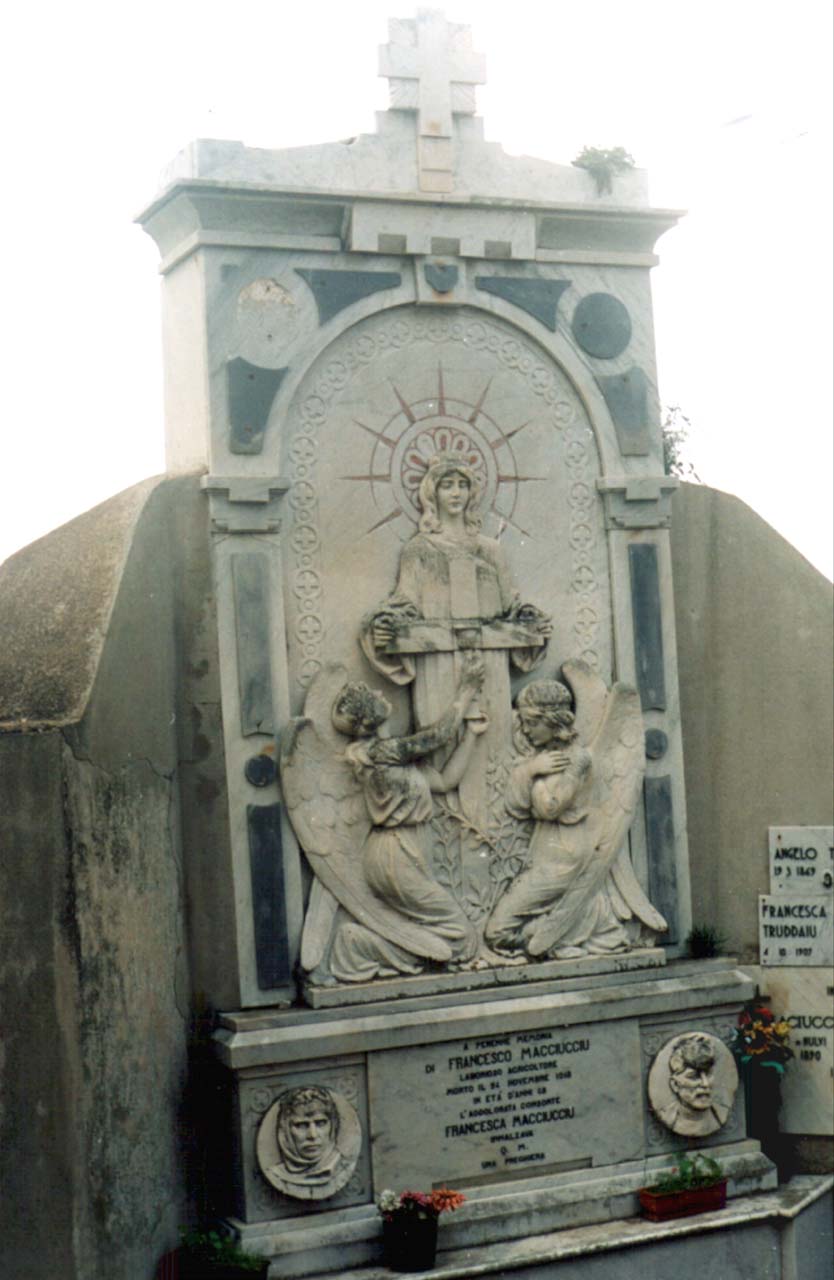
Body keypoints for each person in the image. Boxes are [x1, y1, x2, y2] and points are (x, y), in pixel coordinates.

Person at [359, 452, 549, 820]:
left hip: (488, 664)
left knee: (492, 744)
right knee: (442, 743)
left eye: (463, 484)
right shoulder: (419, 550)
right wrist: (384, 623)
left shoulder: (490, 550)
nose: (456, 493)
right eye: (448, 484)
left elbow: (513, 605)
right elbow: (404, 604)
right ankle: (449, 830)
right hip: (438, 666)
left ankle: (497, 825)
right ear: (432, 493)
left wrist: (530, 620)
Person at [327, 653, 487, 981]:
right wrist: (467, 689)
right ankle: (359, 946)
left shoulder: (395, 761)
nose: (382, 693)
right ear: (365, 719)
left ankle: (387, 944)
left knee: (452, 933)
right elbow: (437, 736)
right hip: (394, 853)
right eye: (373, 696)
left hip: (405, 849)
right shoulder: (378, 753)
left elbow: (444, 781)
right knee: (462, 940)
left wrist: (471, 734)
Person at [484, 678, 631, 959]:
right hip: (545, 852)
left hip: (566, 854)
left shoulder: (578, 759)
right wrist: (530, 770)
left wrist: (534, 775)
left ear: (552, 721)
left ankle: (584, 924)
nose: (526, 730)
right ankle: (578, 921)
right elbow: (515, 805)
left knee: (497, 932)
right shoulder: (542, 756)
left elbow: (551, 808)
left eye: (531, 722)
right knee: (499, 931)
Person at [269, 1087, 344, 1192]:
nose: (312, 1135)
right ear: (285, 1130)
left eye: (320, 1123)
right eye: (301, 1125)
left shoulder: (343, 1167)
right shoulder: (275, 1174)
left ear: (333, 1126)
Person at [657, 1035, 730, 1136]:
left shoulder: (722, 1113)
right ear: (675, 1085)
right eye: (694, 1077)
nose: (706, 1084)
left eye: (708, 1074)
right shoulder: (667, 1117)